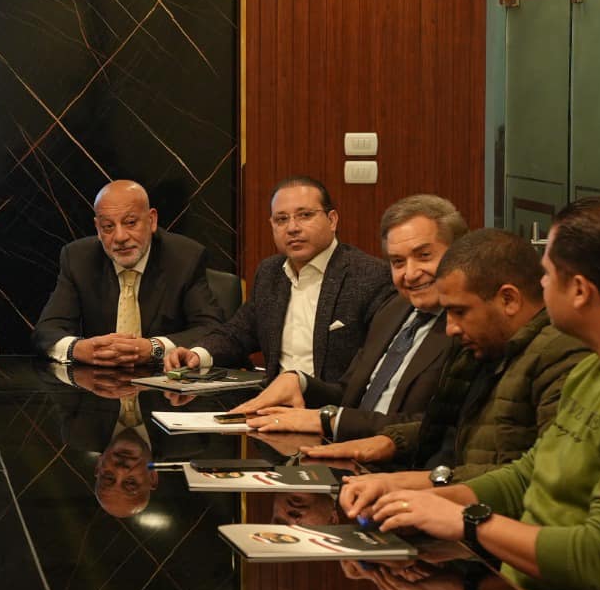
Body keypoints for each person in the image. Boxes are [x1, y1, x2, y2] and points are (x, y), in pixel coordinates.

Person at [351, 197, 600, 590]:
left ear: (579, 291)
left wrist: (468, 523)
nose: (538, 286)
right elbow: (527, 476)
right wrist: (425, 501)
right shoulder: (599, 370)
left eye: (546, 275)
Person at [319, 229, 589, 476]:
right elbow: (453, 428)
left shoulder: (560, 357)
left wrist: (425, 485)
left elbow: (544, 476)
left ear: (508, 299)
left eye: (460, 312)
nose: (450, 328)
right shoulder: (483, 347)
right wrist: (390, 441)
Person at [236, 194, 466, 438]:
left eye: (424, 256)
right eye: (398, 262)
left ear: (460, 253)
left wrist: (330, 421)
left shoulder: (468, 329)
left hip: (399, 458)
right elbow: (349, 394)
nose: (410, 274)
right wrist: (299, 382)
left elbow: (437, 428)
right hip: (342, 448)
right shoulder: (393, 309)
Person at [165, 176, 392, 383]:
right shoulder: (270, 272)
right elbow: (238, 333)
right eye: (281, 219)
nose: (292, 228)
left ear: (332, 220)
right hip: (273, 405)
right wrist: (198, 354)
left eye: (305, 215)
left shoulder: (369, 276)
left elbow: (377, 366)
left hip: (332, 407)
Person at [32, 179, 224, 367]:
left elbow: (211, 329)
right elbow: (46, 331)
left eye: (130, 222)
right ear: (97, 228)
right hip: (99, 382)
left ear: (151, 220)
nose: (120, 237)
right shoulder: (78, 259)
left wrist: (155, 348)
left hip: (165, 382)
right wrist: (78, 349)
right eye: (108, 227)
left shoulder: (185, 258)